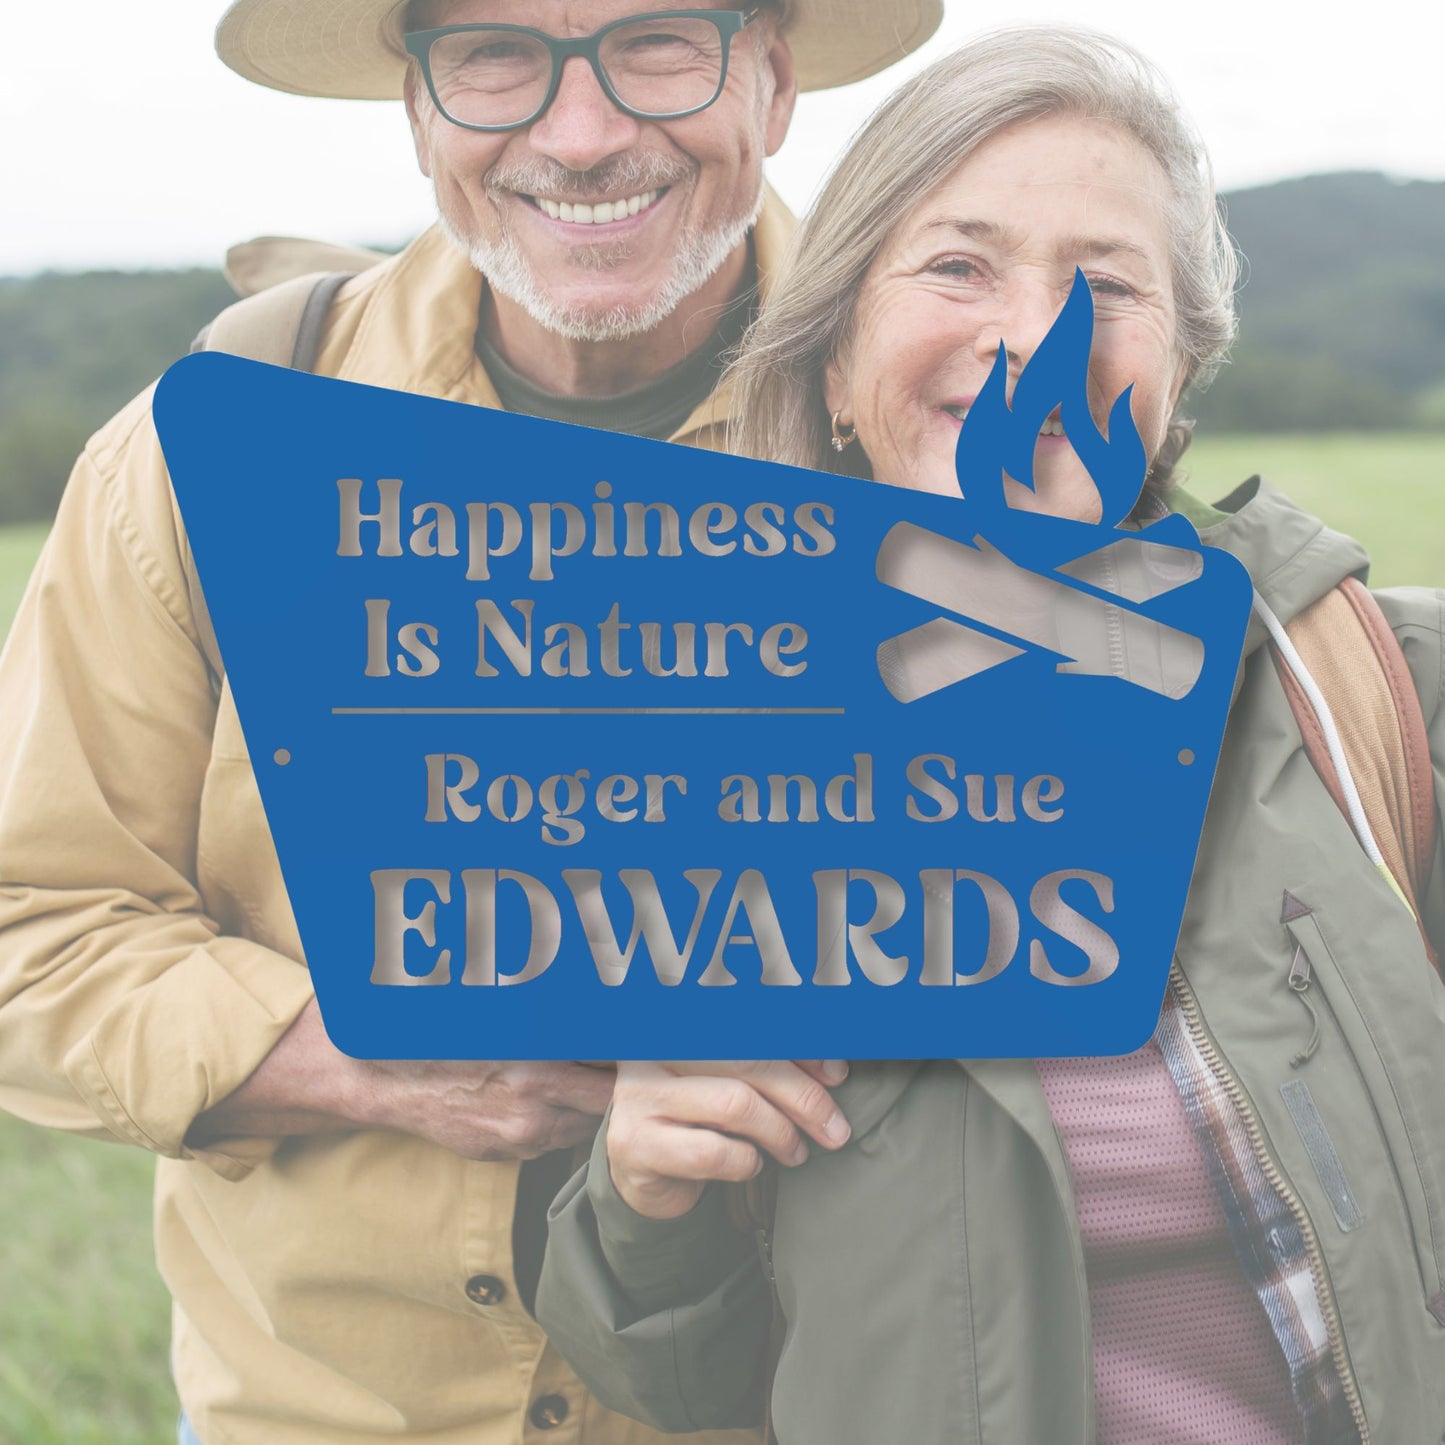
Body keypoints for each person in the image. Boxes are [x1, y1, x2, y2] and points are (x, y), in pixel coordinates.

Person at [0, 3, 942, 1443]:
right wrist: (373, 1057)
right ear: (417, 109)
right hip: (313, 1415)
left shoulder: (926, 428)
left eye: (660, 40)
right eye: (496, 52)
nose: (579, 134)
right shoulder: (205, 450)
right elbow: (31, 927)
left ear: (772, 77)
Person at [535, 27, 1445, 1444]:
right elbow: (674, 1373)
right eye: (957, 267)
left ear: (1176, 373)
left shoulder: (1370, 686)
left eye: (1106, 285)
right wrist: (647, 1190)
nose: (1031, 338)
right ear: (836, 363)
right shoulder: (679, 762)